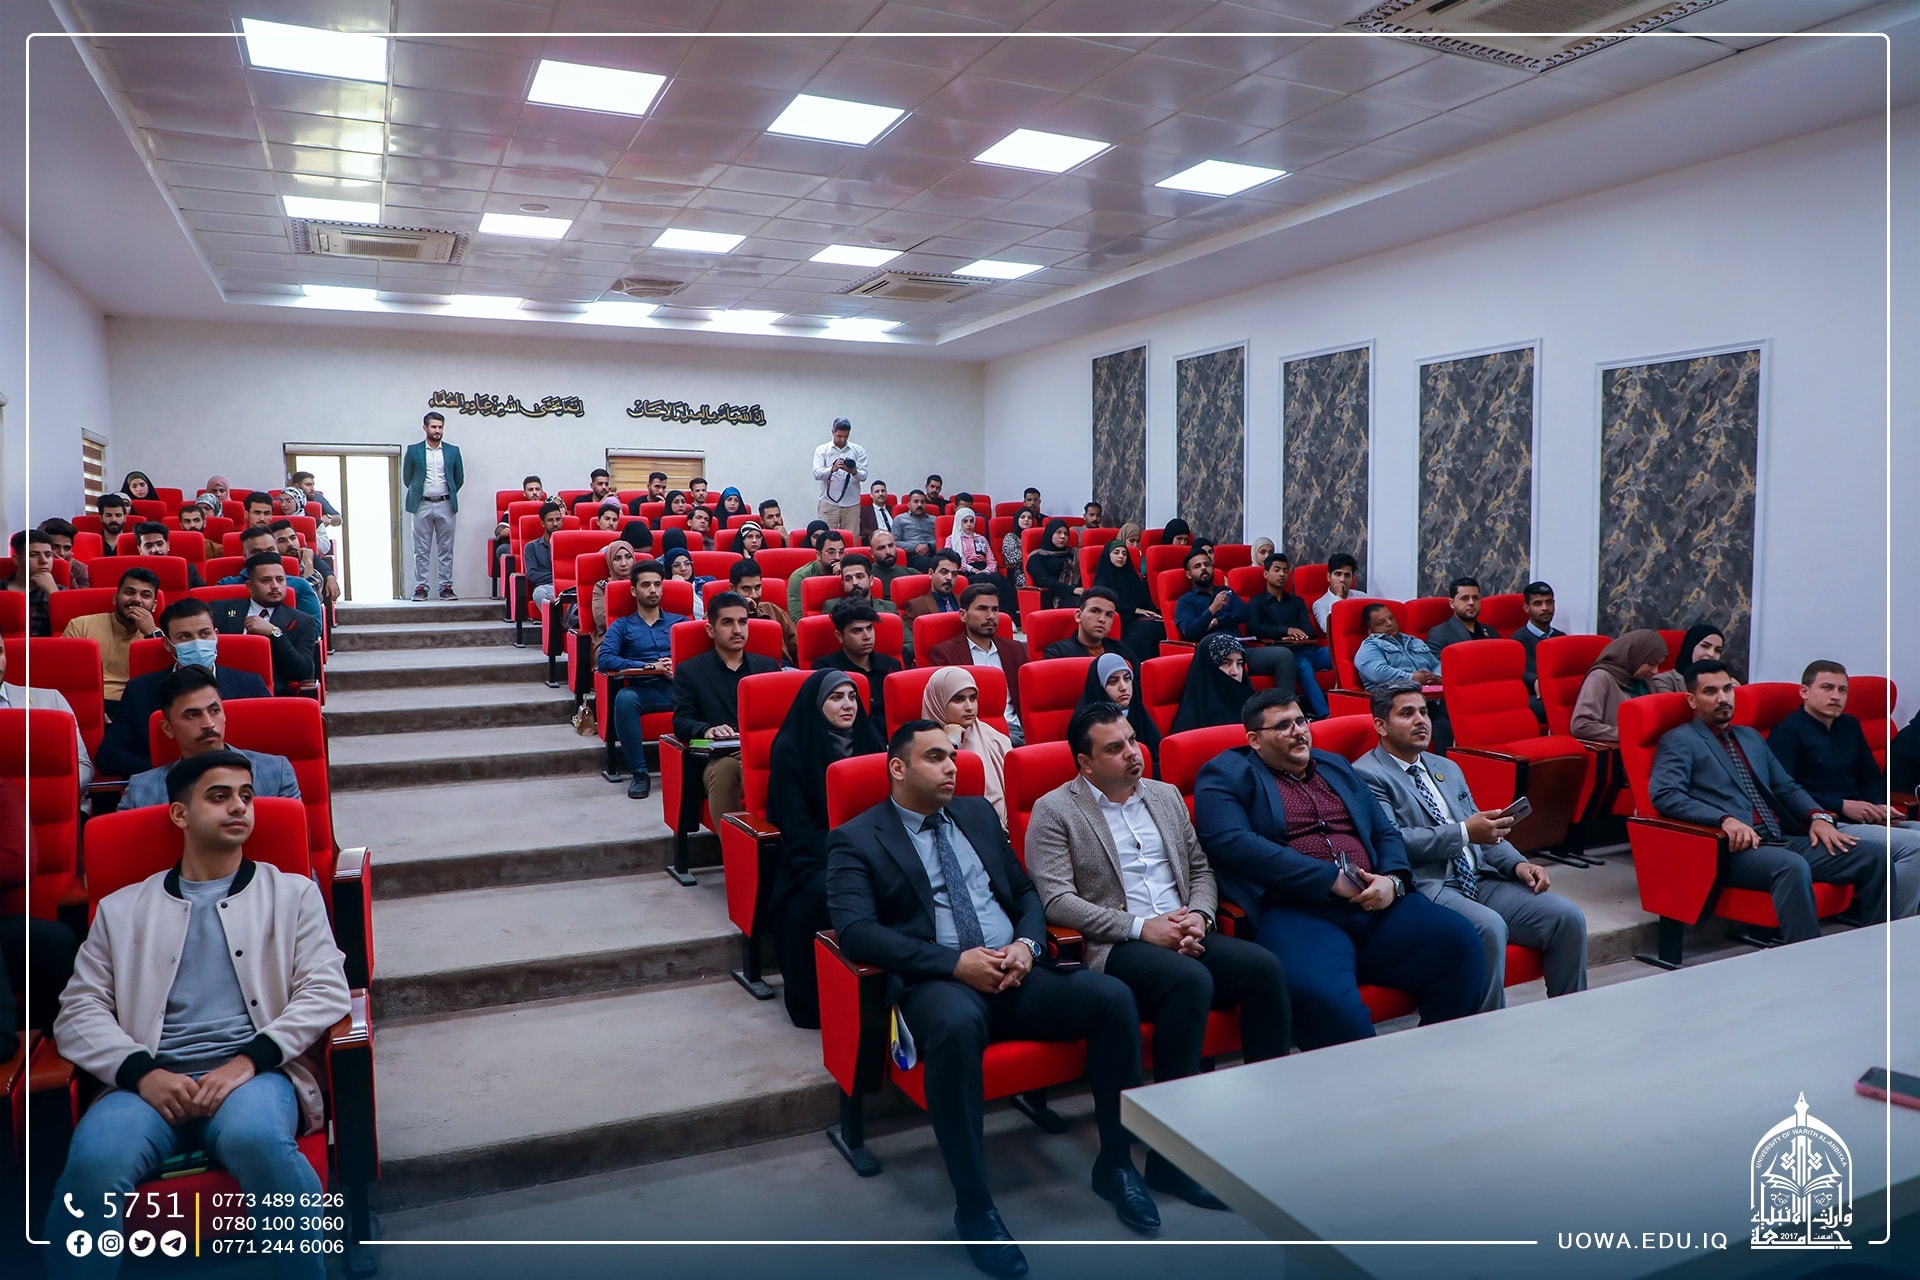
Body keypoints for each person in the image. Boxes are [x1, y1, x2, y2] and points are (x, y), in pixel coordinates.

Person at [827, 723, 1157, 1275]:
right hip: (938, 982)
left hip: (1015, 969)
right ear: (898, 768)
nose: (951, 767)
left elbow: (1025, 892)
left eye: (953, 757)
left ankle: (1117, 1164)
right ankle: (975, 1204)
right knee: (956, 1028)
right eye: (935, 758)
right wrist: (953, 963)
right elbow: (857, 932)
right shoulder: (857, 837)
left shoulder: (977, 813)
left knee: (1112, 999)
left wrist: (1028, 945)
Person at [46, 750, 350, 1278]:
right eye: (219, 796)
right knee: (94, 1164)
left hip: (253, 1077)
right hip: (147, 1082)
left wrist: (247, 1062)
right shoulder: (122, 909)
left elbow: (325, 989)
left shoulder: (293, 894)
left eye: (246, 796)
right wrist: (142, 1073)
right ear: (180, 814)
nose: (239, 807)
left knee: (257, 1140)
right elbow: (78, 1010)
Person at [1025, 701, 1289, 1206]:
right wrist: (1142, 928)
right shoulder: (1054, 810)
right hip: (1115, 943)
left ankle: (1265, 1130)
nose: (1133, 753)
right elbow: (1056, 900)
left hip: (1183, 927)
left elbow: (1202, 870)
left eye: (1132, 740)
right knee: (1188, 981)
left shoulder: (1165, 796)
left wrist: (1200, 918)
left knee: (1263, 969)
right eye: (1115, 748)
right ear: (1085, 763)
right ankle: (1171, 1160)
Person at [1194, 688, 1486, 1051]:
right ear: (1254, 740)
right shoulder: (1225, 774)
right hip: (1299, 911)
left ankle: (1437, 1060)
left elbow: (1384, 831)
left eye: (1301, 721)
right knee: (1326, 1003)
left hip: (1374, 902)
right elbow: (1231, 842)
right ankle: (1364, 1083)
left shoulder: (1336, 766)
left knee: (1461, 944)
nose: (1299, 732)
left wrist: (1393, 880)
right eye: (1283, 726)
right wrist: (1328, 879)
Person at [1355, 685, 1588, 1010]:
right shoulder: (1367, 775)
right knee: (1489, 927)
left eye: (1424, 712)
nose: (1421, 720)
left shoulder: (1446, 767)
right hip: (1430, 884)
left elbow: (1484, 832)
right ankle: (1488, 1028)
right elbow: (1393, 840)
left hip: (1480, 877)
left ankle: (1571, 1017)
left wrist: (1518, 864)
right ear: (1381, 725)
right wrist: (1465, 832)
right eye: (1407, 713)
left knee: (1567, 917)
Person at [1649, 661, 1891, 943]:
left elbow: (1786, 786)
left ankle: (1880, 947)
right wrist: (1723, 820)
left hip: (1779, 837)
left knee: (1875, 855)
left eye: (1727, 689)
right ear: (1692, 700)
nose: (1723, 698)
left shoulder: (1750, 737)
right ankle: (1810, 957)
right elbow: (1667, 795)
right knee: (1791, 865)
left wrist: (1818, 816)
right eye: (1710, 692)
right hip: (1732, 848)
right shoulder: (1679, 740)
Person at [768, 670, 885, 1028]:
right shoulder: (791, 747)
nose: (848, 705)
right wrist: (849, 856)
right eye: (836, 698)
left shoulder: (870, 738)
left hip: (872, 848)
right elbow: (796, 828)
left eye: (852, 696)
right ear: (817, 704)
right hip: (812, 856)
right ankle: (823, 1002)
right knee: (822, 892)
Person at [1765, 661, 1920, 920]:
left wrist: (1878, 806)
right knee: (1914, 846)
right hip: (1826, 821)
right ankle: (1893, 927)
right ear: (1804, 691)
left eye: (1842, 690)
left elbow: (1871, 776)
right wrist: (1843, 805)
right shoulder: (1787, 732)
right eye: (1827, 688)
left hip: (1863, 816)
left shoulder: (1849, 725)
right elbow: (1785, 792)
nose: (1836, 696)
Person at [97, 599, 271, 778]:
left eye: (204, 634)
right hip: (168, 784)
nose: (197, 643)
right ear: (167, 644)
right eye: (184, 637)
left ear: (216, 635)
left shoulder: (251, 686)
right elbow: (109, 757)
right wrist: (179, 769)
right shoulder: (140, 690)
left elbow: (273, 744)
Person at [118, 667, 301, 810]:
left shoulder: (276, 772)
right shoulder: (141, 790)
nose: (208, 724)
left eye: (214, 711)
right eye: (192, 715)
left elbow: (292, 842)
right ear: (168, 728)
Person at [672, 592, 778, 825]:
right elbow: (681, 721)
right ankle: (734, 846)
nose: (737, 630)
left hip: (763, 754)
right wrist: (707, 729)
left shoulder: (768, 667)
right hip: (719, 757)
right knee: (726, 769)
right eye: (727, 623)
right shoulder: (691, 671)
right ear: (711, 630)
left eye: (743, 622)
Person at [599, 560, 686, 799]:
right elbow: (605, 659)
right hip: (646, 692)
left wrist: (677, 669)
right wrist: (649, 667)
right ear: (633, 590)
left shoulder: (681, 622)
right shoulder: (623, 625)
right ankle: (640, 774)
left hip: (680, 689)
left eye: (657, 584)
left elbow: (699, 657)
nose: (653, 590)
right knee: (625, 699)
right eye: (646, 585)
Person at [1172, 549, 1296, 692]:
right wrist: (1212, 609)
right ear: (1189, 574)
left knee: (1284, 655)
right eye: (1197, 566)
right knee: (1231, 668)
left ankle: (1286, 703)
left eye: (1207, 564)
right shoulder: (1185, 601)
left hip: (1241, 650)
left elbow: (1245, 612)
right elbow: (1190, 631)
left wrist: (1217, 622)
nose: (1204, 568)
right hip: (1215, 656)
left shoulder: (1224, 591)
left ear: (1212, 568)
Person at [926, 585, 1028, 744]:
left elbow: (1028, 698)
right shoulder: (945, 653)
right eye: (982, 609)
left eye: (995, 610)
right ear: (963, 615)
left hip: (1017, 731)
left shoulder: (1014, 649)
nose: (991, 616)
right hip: (972, 734)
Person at [212, 555, 320, 694]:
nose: (275, 586)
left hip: (273, 695)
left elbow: (303, 672)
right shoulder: (220, 610)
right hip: (222, 690)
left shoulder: (303, 621)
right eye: (266, 580)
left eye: (280, 580)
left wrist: (275, 633)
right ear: (250, 586)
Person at [63, 566, 164, 708]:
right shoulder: (81, 625)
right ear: (115, 598)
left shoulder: (158, 636)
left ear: (154, 605)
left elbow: (163, 681)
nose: (136, 599)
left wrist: (151, 633)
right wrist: (92, 710)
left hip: (135, 706)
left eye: (145, 595)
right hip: (89, 702)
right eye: (129, 592)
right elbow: (65, 675)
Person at [923, 667, 1013, 825]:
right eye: (958, 700)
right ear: (938, 702)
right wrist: (951, 742)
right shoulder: (919, 746)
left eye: (973, 698)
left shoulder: (997, 740)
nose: (969, 707)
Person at [1246, 553, 1331, 718]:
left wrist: (1299, 636)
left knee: (1342, 656)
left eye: (1285, 571)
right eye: (1277, 570)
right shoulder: (1257, 601)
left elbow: (1309, 631)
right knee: (1303, 666)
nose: (1282, 574)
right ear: (1266, 574)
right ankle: (1325, 714)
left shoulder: (1296, 602)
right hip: (1287, 653)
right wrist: (1286, 631)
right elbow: (1253, 628)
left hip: (1309, 649)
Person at [0, 641, 94, 789]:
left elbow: (82, 766)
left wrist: (52, 793)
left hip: (49, 800)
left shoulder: (51, 700)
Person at [1568, 629, 1681, 744]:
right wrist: (1628, 734)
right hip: (1618, 748)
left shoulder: (1643, 678)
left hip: (1651, 745)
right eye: (1651, 664)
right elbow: (1581, 725)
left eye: (1658, 665)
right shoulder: (1600, 677)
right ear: (1635, 656)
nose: (1655, 671)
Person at [402, 410, 464, 600]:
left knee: (446, 548)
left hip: (446, 503)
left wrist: (445, 494)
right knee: (421, 549)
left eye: (440, 427)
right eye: (433, 427)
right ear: (425, 428)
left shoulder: (453, 451)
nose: (437, 430)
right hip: (421, 504)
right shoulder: (414, 450)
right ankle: (421, 587)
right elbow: (407, 478)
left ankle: (446, 587)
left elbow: (458, 479)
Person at [813, 600, 904, 728]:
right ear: (840, 636)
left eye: (869, 628)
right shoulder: (825, 669)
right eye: (857, 631)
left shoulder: (891, 665)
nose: (867, 636)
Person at [218, 526, 324, 627]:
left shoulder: (300, 585)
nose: (266, 556)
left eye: (270, 550)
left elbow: (312, 629)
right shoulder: (226, 585)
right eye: (257, 552)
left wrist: (273, 632)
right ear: (245, 556)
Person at [1076, 652, 1160, 775]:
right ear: (1099, 687)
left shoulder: (1137, 712)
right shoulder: (1086, 726)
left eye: (1127, 678)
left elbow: (1160, 759)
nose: (1123, 687)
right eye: (1113, 682)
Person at [1091, 537, 1164, 658]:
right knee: (1149, 630)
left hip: (1137, 619)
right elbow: (1107, 606)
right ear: (1108, 556)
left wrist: (1154, 613)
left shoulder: (1131, 576)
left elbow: (1145, 600)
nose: (1121, 556)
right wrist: (1134, 610)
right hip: (1120, 623)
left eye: (1124, 554)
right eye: (1116, 553)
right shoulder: (1102, 580)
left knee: (1159, 625)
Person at [1170, 632, 1254, 735]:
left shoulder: (1253, 704)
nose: (1235, 672)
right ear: (1209, 668)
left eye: (1239, 663)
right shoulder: (1191, 720)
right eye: (1226, 663)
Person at [945, 509, 1018, 625]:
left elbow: (991, 560)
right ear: (959, 522)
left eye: (971, 521)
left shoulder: (981, 539)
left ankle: (1008, 617)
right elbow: (951, 561)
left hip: (984, 570)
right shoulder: (951, 539)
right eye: (965, 521)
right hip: (965, 572)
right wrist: (972, 569)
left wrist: (987, 570)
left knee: (999, 579)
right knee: (984, 579)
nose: (969, 524)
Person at [1353, 602, 1443, 690]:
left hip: (1431, 693)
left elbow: (1436, 664)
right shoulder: (1370, 647)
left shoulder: (1414, 641)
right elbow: (1378, 673)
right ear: (1370, 630)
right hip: (1394, 696)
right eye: (1381, 623)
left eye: (1391, 618)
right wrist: (1412, 678)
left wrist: (1437, 677)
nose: (1389, 623)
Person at [728, 559, 796, 668]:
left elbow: (797, 646)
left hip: (781, 668)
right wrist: (740, 609)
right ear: (732, 589)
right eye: (746, 589)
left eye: (757, 587)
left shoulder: (772, 610)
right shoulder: (722, 616)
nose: (754, 595)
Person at [1042, 589, 1135, 664]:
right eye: (1095, 611)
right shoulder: (1058, 652)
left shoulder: (1121, 650)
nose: (1102, 619)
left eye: (1109, 615)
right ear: (1079, 616)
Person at [1510, 580, 1566, 703]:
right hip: (1535, 696)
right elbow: (1521, 672)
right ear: (1526, 608)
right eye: (1538, 604)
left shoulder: (1561, 638)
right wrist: (1534, 680)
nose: (1545, 608)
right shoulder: (1518, 641)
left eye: (1549, 602)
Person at [813, 416, 868, 536]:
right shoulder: (822, 450)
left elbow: (864, 476)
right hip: (828, 503)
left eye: (845, 436)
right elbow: (817, 474)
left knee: (851, 539)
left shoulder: (858, 450)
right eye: (839, 436)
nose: (842, 440)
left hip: (851, 504)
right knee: (825, 538)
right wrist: (831, 469)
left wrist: (853, 471)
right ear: (832, 432)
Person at [7, 528, 58, 635]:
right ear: (17, 559)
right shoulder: (2, 590)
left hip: (49, 645)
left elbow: (71, 629)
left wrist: (53, 593)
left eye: (48, 555)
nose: (43, 561)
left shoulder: (61, 591)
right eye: (33, 555)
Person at [900, 550, 965, 634]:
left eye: (954, 574)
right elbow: (913, 639)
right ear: (931, 573)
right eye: (944, 572)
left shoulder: (965, 603)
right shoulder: (915, 606)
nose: (949, 578)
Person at [788, 527, 847, 618]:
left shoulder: (848, 573)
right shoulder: (800, 577)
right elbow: (797, 619)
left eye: (841, 552)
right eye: (831, 552)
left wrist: (843, 575)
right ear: (818, 555)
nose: (837, 557)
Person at [1025, 518, 1083, 612]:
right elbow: (1044, 580)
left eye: (1066, 533)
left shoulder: (1074, 554)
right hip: (1053, 597)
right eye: (1058, 532)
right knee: (1086, 605)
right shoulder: (1037, 557)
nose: (1063, 536)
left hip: (1078, 593)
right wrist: (1071, 590)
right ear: (1050, 534)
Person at [1427, 576, 1498, 652]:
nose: (1471, 602)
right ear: (1452, 603)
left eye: (1475, 598)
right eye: (1465, 598)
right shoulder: (1440, 634)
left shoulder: (1490, 631)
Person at [1311, 552, 1369, 634]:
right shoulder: (1320, 604)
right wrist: (1338, 597)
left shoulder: (1362, 597)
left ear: (1352, 579)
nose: (1342, 579)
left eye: (1347, 575)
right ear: (1329, 577)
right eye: (1338, 574)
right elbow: (1327, 629)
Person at [660, 547, 713, 619]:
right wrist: (677, 587)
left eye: (687, 564)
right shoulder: (663, 590)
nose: (683, 569)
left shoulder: (706, 582)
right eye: (677, 565)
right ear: (669, 568)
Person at [39, 517, 91, 587]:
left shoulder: (81, 570)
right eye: (55, 547)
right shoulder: (31, 565)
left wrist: (67, 573)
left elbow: (79, 594)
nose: (61, 553)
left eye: (67, 548)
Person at [894, 489, 939, 569]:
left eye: (922, 502)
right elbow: (895, 542)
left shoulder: (934, 520)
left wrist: (928, 546)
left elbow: (940, 539)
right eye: (916, 501)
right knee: (927, 562)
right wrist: (916, 547)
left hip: (933, 551)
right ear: (909, 504)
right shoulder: (900, 519)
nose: (919, 505)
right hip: (912, 554)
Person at [1001, 509, 1039, 598]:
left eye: (1030, 518)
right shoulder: (1011, 537)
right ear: (1017, 520)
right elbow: (1013, 559)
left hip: (1038, 570)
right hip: (1020, 572)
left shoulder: (1036, 537)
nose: (1026, 520)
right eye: (1023, 517)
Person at [865, 529, 908, 596]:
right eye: (881, 548)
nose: (888, 551)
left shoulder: (912, 574)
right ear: (871, 553)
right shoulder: (865, 576)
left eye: (891, 546)